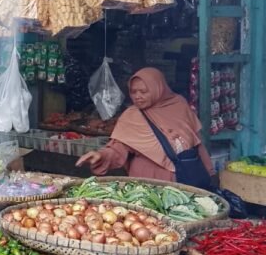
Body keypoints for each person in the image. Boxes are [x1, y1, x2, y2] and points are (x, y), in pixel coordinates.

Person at [76, 67, 214, 188]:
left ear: (158, 88)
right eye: (134, 92)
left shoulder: (179, 105)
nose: (138, 97)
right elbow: (118, 149)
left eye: (143, 91)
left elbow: (196, 142)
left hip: (183, 178)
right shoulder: (132, 116)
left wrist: (207, 172)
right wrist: (101, 155)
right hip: (146, 180)